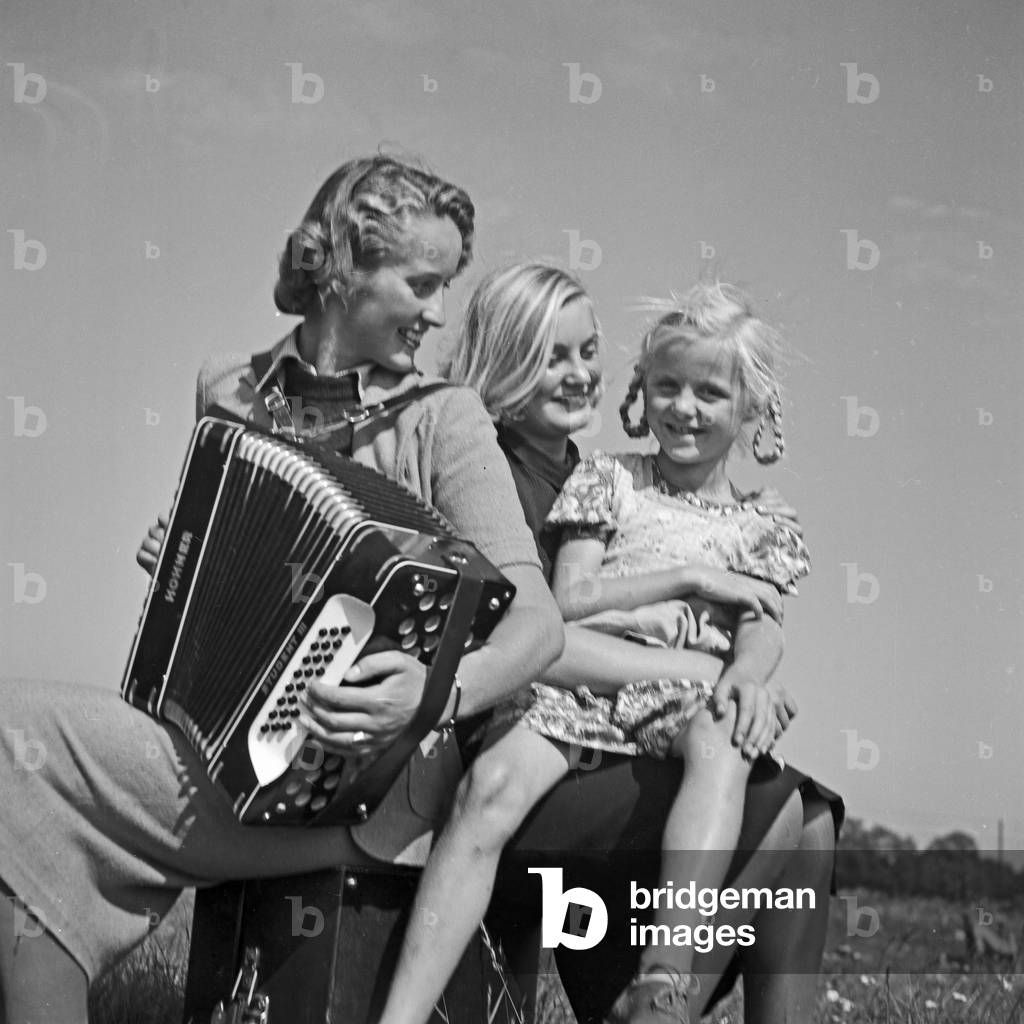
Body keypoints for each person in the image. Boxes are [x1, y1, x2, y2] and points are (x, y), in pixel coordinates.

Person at [0, 156, 564, 1024]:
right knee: (31, 861)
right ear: (343, 268)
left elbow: (539, 628)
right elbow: (225, 589)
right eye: (422, 283)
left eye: (446, 286)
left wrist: (434, 695)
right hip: (224, 742)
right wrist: (185, 557)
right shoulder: (227, 386)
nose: (440, 313)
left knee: (12, 738)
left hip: (372, 781)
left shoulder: (445, 417)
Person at [379, 263, 842, 1024]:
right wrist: (693, 613)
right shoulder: (538, 474)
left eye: (587, 352)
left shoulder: (753, 521)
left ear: (753, 406)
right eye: (553, 356)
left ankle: (662, 984)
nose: (579, 374)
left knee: (801, 807)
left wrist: (746, 677)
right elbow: (554, 624)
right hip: (543, 712)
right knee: (794, 813)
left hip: (665, 717)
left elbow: (763, 625)